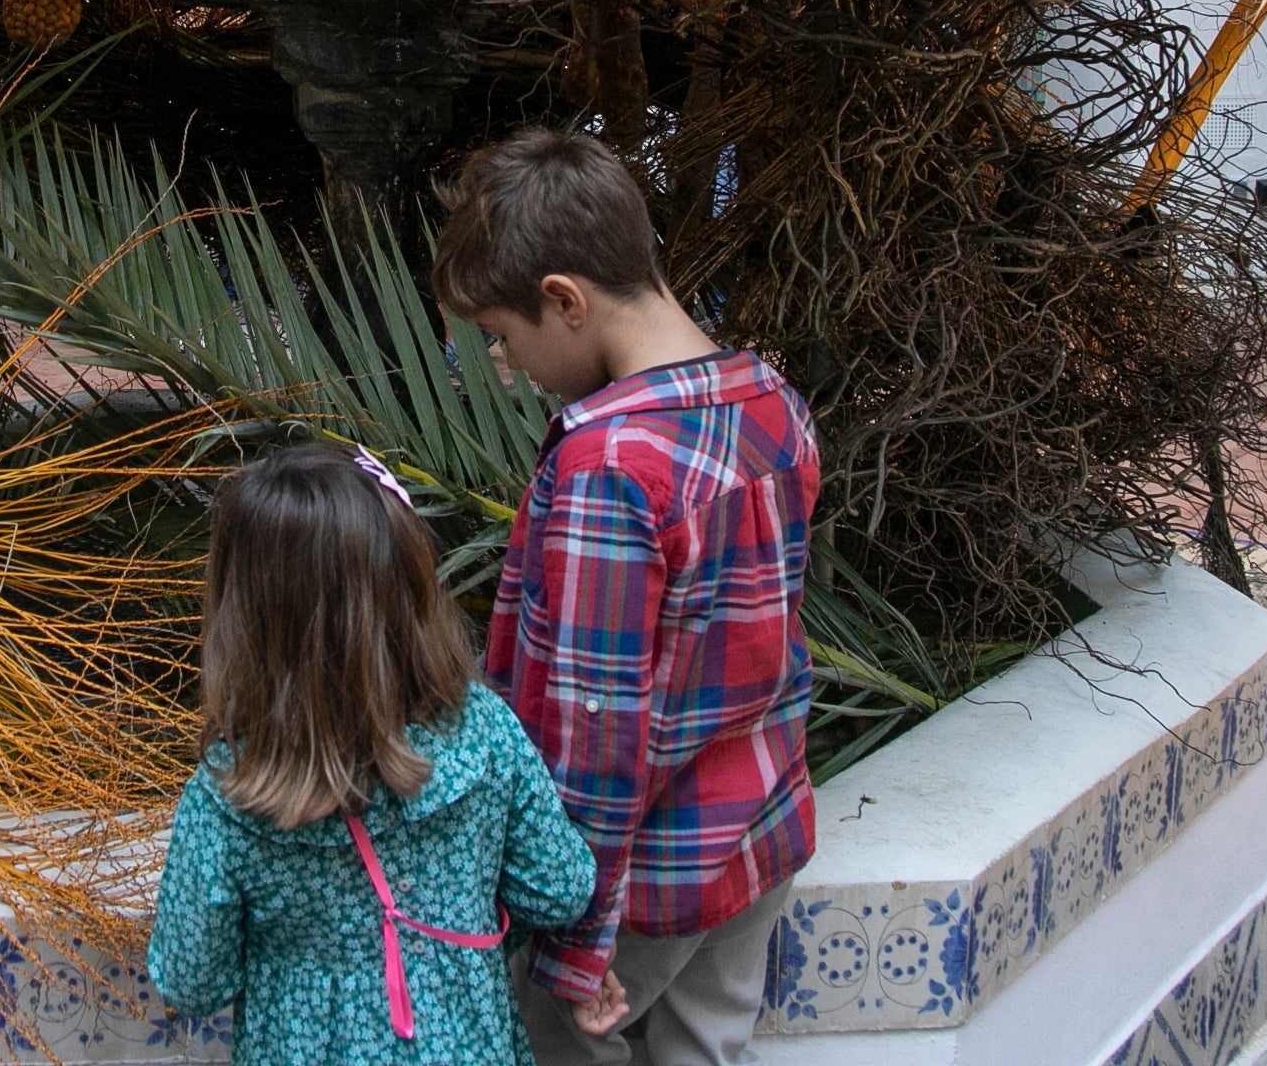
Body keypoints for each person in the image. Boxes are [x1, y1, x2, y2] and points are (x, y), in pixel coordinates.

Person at [432, 129, 817, 1066]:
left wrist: (572, 936)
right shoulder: (773, 401)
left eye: (501, 335)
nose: (504, 365)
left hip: (639, 882)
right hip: (758, 837)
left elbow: (597, 734)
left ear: (564, 301)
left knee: (565, 1047)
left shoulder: (611, 466)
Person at [149, 443, 601, 1066]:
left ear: (242, 615)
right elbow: (559, 888)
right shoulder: (484, 732)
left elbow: (190, 980)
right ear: (412, 581)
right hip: (470, 1043)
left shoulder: (230, 794)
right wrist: (458, 932)